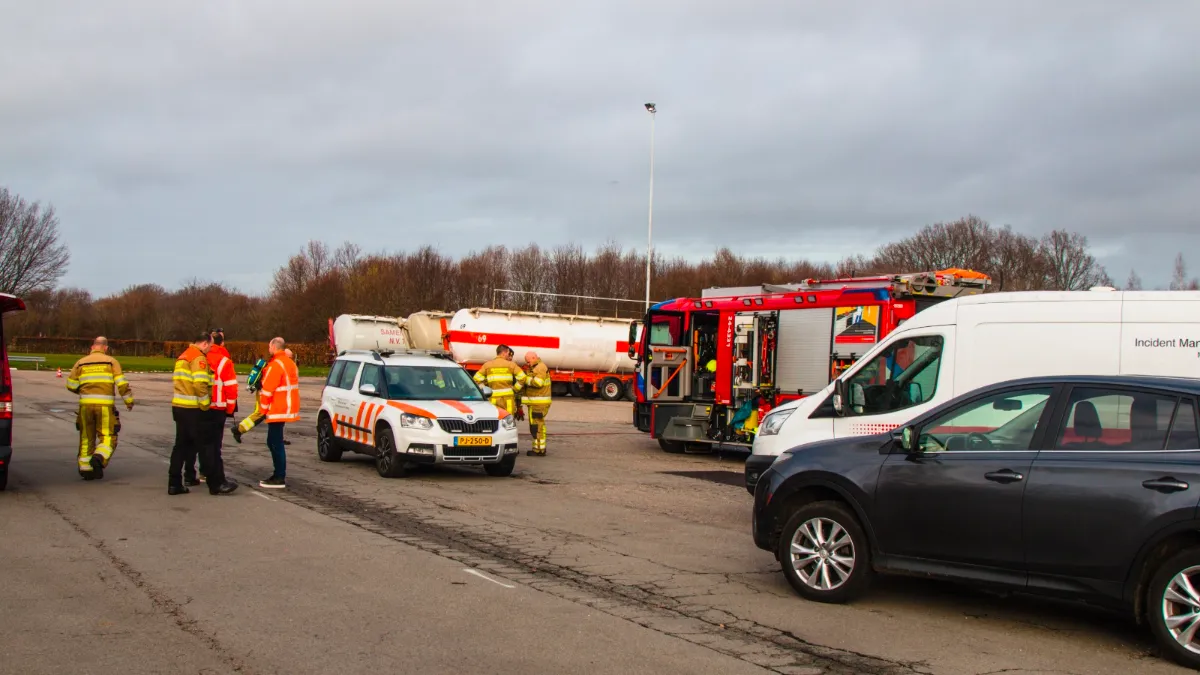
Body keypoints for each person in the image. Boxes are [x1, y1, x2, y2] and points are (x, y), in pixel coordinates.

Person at [65, 337, 134, 480]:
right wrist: (129, 401)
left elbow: (70, 385)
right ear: (106, 348)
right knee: (108, 436)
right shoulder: (111, 361)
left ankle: (86, 470)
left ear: (92, 347)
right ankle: (99, 457)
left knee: (86, 438)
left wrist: (84, 392)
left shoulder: (81, 362)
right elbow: (121, 383)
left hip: (85, 406)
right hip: (105, 406)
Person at [186, 327, 238, 495]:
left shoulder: (197, 358)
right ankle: (217, 481)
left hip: (198, 406)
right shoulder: (224, 361)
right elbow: (231, 388)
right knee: (214, 447)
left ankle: (191, 474)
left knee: (198, 444)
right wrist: (230, 408)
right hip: (217, 408)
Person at [169, 334, 217, 494]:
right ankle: (215, 483)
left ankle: (174, 483)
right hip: (192, 409)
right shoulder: (198, 358)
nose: (210, 349)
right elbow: (200, 385)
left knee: (180, 446)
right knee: (206, 446)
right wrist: (205, 405)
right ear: (205, 343)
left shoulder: (184, 356)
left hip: (179, 406)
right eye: (210, 346)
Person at [256, 337, 300, 489]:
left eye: (269, 346)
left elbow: (267, 390)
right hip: (287, 407)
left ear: (274, 347)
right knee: (274, 441)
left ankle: (279, 476)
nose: (269, 349)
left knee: (274, 442)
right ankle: (278, 474)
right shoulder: (290, 363)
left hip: (277, 408)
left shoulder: (276, 364)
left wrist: (262, 410)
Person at [472, 344, 526, 415]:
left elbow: (476, 379)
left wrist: (486, 389)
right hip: (508, 399)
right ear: (504, 353)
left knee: (495, 418)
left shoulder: (487, 365)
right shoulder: (511, 365)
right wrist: (515, 389)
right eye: (508, 353)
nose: (508, 355)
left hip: (493, 398)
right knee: (508, 418)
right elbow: (522, 377)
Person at [521, 350, 552, 456]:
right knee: (536, 426)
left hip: (539, 404)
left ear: (534, 358)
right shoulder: (535, 367)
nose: (527, 364)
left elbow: (538, 383)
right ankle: (538, 448)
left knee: (537, 426)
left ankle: (539, 450)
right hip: (535, 403)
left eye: (528, 361)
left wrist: (525, 379)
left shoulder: (540, 367)